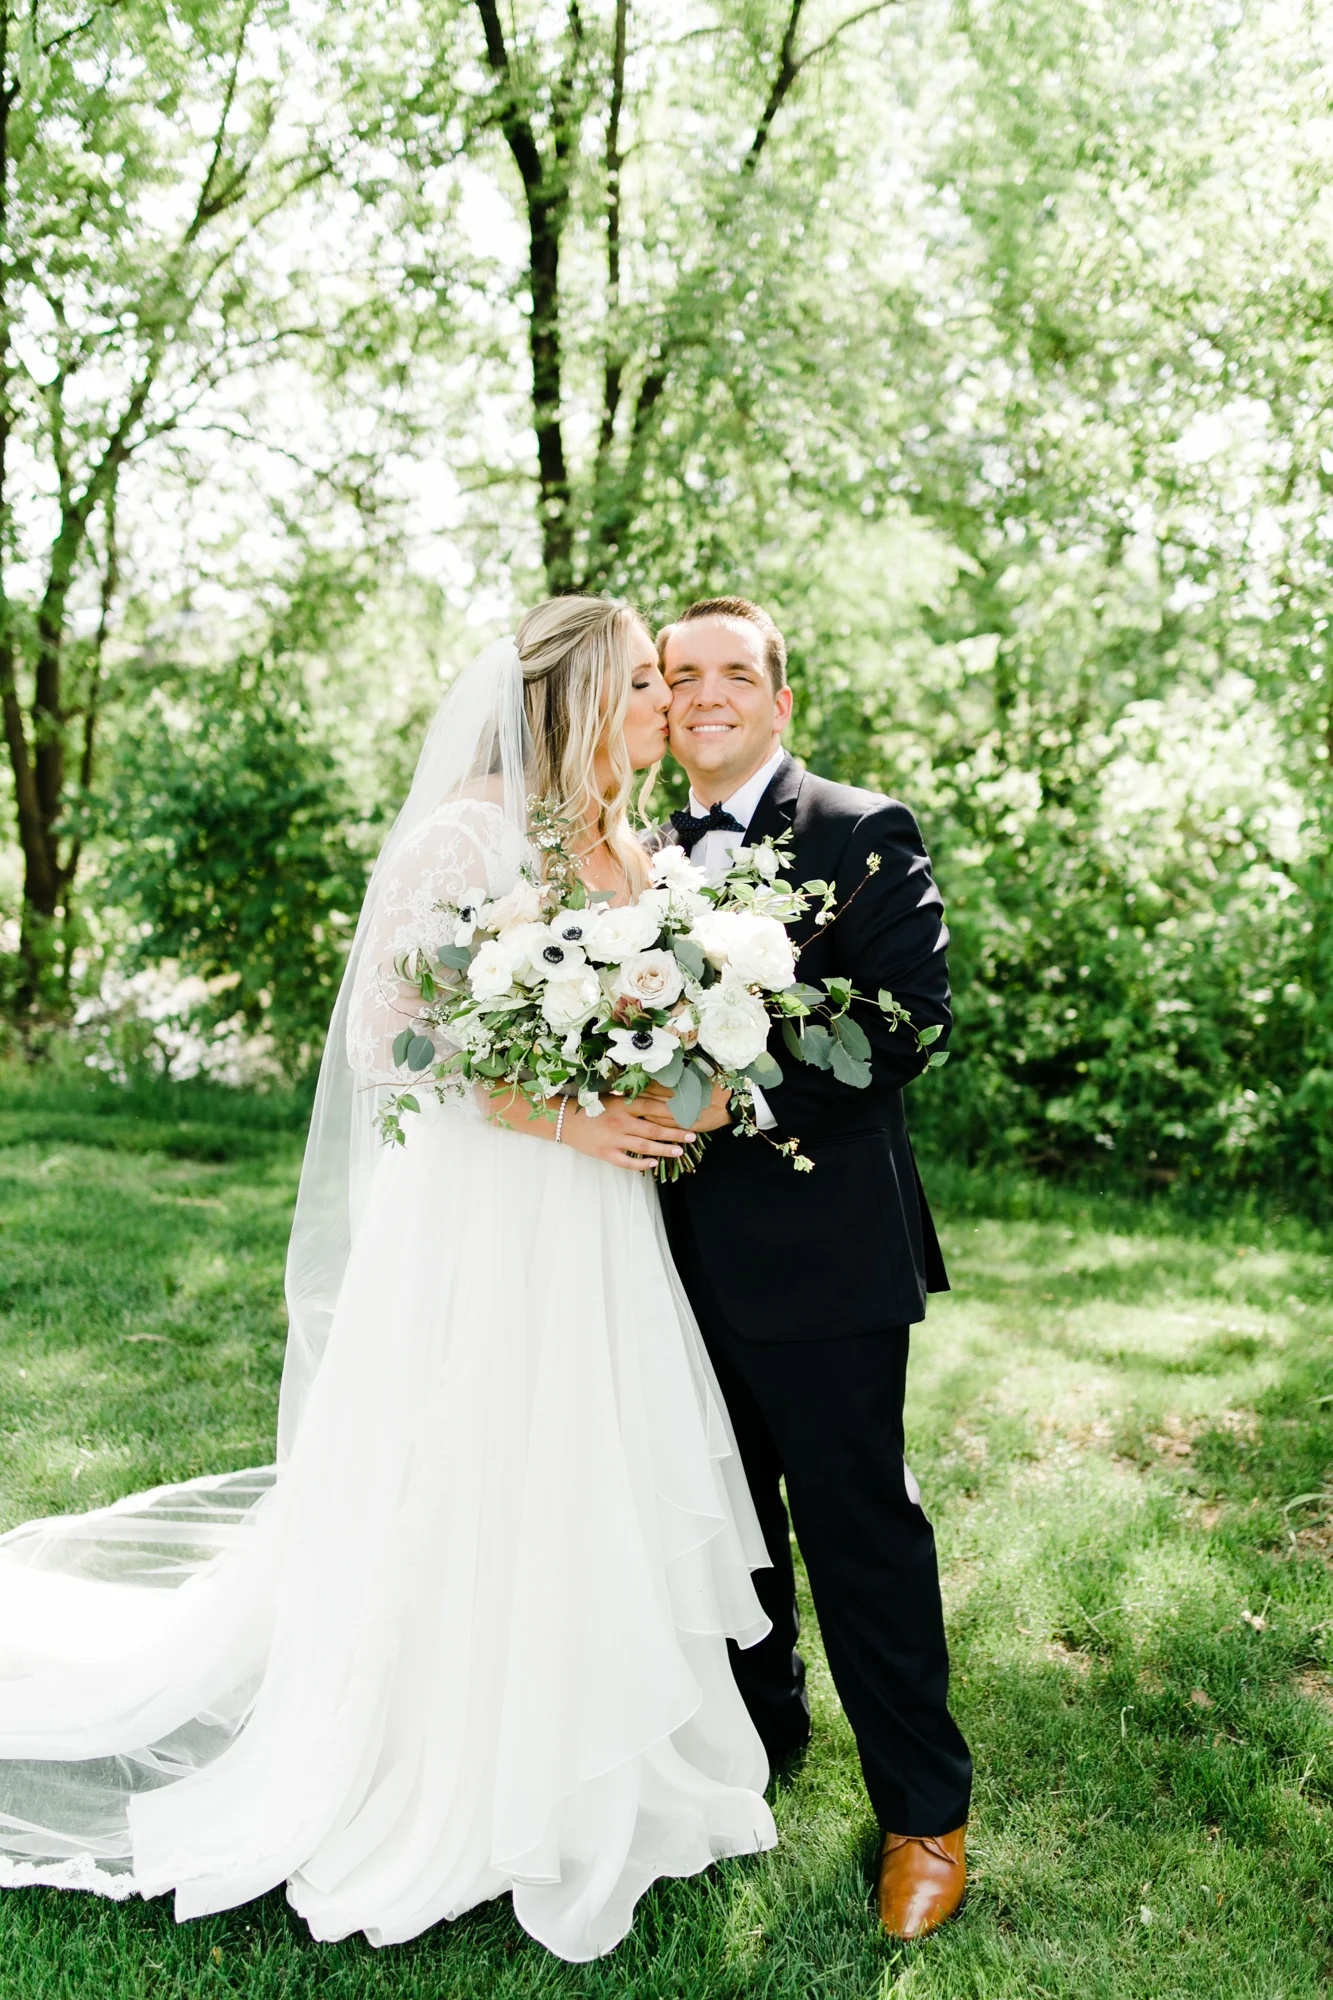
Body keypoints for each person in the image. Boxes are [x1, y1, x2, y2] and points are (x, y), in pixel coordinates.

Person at [0, 597, 777, 1962]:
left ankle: (594, 1755)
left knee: (580, 1464)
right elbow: (389, 1044)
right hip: (491, 1207)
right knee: (474, 1464)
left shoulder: (627, 846)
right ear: (587, 694)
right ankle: (445, 1765)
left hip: (597, 1227)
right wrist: (572, 1119)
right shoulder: (469, 829)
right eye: (647, 677)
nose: (667, 698)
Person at [642, 595, 973, 1943]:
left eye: (734, 673)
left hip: (824, 1256)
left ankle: (924, 1819)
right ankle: (756, 1753)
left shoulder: (857, 830)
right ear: (656, 708)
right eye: (679, 676)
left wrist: (734, 1099)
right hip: (659, 1262)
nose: (706, 693)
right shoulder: (634, 855)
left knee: (858, 1531)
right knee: (722, 1525)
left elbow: (907, 1026)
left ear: (780, 702)